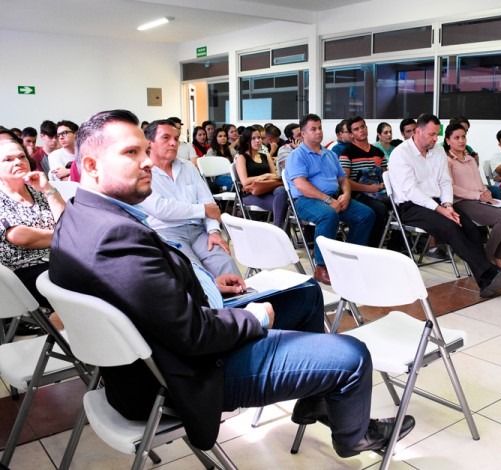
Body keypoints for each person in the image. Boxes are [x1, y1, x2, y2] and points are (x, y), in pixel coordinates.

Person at [48, 109, 414, 457]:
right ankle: (354, 436)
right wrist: (255, 319)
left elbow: (147, 293)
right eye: (131, 152)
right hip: (184, 373)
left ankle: (315, 401)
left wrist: (204, 284)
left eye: (145, 150)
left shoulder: (80, 216)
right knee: (352, 356)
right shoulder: (114, 236)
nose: (147, 161)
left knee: (305, 294)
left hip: (169, 345)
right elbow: (192, 333)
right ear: (91, 166)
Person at [388, 114, 501, 298]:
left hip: (438, 201)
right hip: (410, 206)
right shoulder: (401, 153)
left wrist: (448, 205)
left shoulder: (437, 151)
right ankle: (489, 273)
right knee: (450, 227)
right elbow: (411, 191)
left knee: (469, 227)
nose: (435, 139)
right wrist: (441, 210)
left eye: (436, 135)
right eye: (431, 134)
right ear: (417, 131)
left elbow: (445, 182)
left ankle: (486, 277)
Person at [139, 120, 241, 278]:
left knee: (225, 262)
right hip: (166, 232)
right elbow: (161, 209)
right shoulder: (143, 171)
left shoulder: (187, 167)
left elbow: (211, 205)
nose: (173, 143)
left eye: (176, 138)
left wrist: (214, 231)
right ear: (149, 142)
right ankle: (210, 302)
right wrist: (203, 210)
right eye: (166, 138)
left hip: (199, 230)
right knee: (195, 273)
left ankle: (241, 302)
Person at [286, 114, 375, 285]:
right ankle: (321, 267)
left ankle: (346, 259)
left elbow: (343, 179)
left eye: (319, 128)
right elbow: (302, 186)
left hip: (333, 197)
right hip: (306, 201)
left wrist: (346, 194)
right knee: (328, 215)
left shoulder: (330, 154)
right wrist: (328, 200)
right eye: (313, 129)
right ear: (303, 134)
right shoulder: (297, 156)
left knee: (366, 214)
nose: (318, 132)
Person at [0, 139, 66, 333]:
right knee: (89, 282)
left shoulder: (37, 191)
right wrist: (67, 236)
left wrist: (47, 189)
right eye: (8, 159)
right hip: (22, 271)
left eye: (21, 157)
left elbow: (67, 221)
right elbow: (21, 236)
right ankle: (54, 324)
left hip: (58, 261)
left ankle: (58, 322)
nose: (18, 162)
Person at [443, 123, 501, 282]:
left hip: (479, 199)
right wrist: (476, 195)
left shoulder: (470, 159)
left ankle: (497, 257)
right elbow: (450, 188)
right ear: (448, 141)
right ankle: (487, 260)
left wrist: (485, 191)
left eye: (463, 137)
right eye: (456, 138)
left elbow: (478, 181)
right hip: (461, 202)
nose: (461, 141)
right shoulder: (447, 161)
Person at [339, 117, 388, 247]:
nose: (361, 130)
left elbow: (385, 174)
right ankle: (371, 247)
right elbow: (344, 180)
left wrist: (384, 183)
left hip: (378, 192)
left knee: (402, 204)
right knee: (380, 209)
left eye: (363, 127)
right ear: (351, 134)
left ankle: (397, 246)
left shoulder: (378, 152)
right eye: (356, 129)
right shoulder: (347, 153)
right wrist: (368, 189)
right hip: (358, 194)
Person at [234, 127, 287, 228]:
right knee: (283, 205)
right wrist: (264, 176)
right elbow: (244, 181)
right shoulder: (241, 157)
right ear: (246, 140)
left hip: (267, 189)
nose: (258, 141)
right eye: (253, 138)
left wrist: (266, 178)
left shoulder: (265, 156)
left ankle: (280, 233)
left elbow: (274, 176)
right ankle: (281, 233)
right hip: (250, 193)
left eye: (259, 138)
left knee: (281, 190)